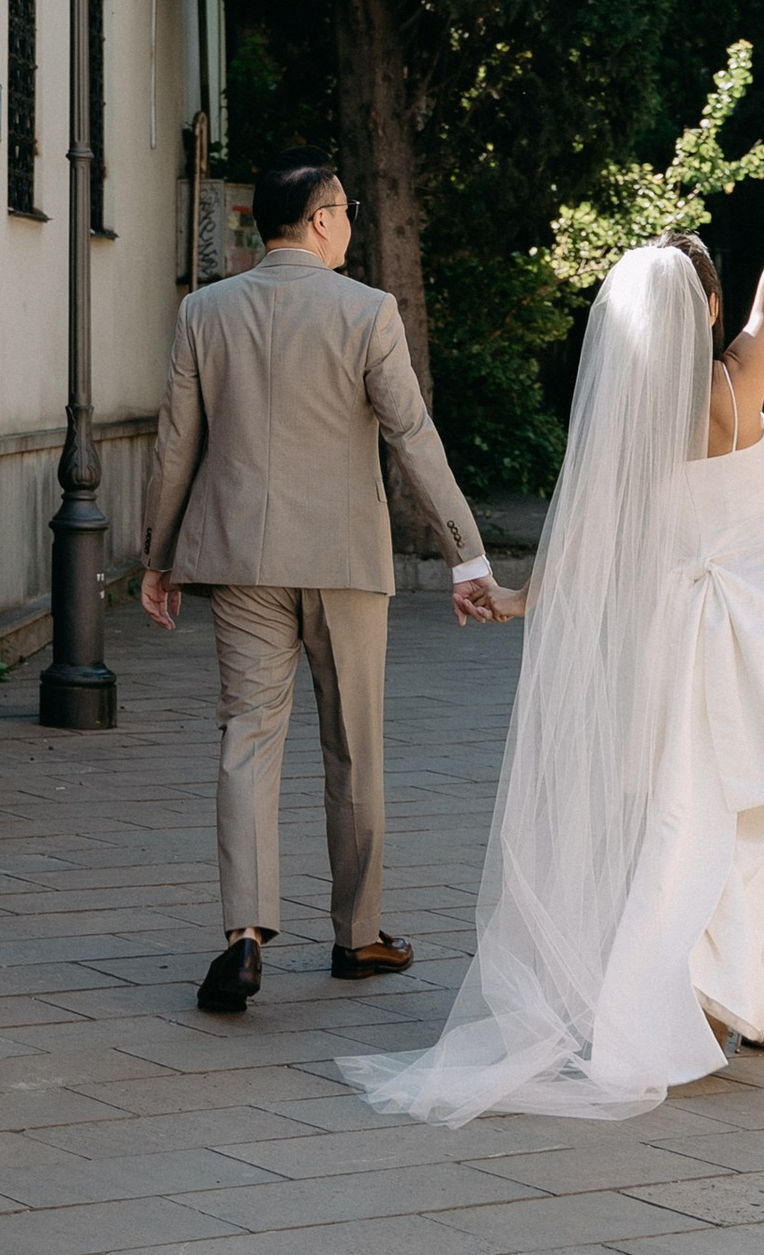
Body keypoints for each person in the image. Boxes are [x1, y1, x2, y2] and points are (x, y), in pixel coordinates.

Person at [337, 117, 764, 1124]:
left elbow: (587, 542)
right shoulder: (731, 386)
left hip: (681, 638)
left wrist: (522, 598)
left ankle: (684, 993)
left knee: (679, 813)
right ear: (704, 303)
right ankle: (743, 995)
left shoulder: (632, 424)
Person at [138, 153, 500, 1017]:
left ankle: (245, 937)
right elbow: (415, 436)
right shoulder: (368, 312)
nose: (352, 224)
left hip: (240, 565)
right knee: (354, 747)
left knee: (247, 742)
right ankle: (358, 934)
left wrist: (159, 556)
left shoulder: (204, 311)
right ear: (323, 219)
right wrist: (469, 556)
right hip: (343, 564)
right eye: (348, 210)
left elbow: (173, 444)